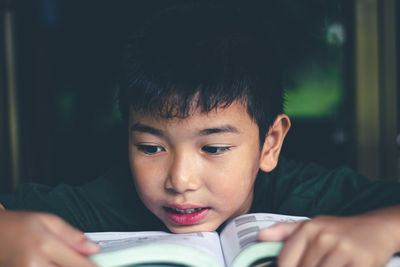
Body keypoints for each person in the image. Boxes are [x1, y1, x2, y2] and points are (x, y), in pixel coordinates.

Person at [1, 3, 400, 267]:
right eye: (150, 147)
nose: (180, 181)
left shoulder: (308, 194)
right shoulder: (101, 203)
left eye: (213, 147)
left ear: (270, 143)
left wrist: (382, 229)